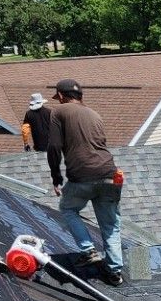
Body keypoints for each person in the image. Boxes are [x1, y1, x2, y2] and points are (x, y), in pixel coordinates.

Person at [46, 78, 124, 286]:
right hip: (110, 173)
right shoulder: (95, 114)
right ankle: (114, 271)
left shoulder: (58, 112)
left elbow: (53, 146)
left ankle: (88, 250)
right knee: (110, 224)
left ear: (61, 96)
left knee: (68, 209)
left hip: (82, 176)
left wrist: (56, 177)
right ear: (81, 96)